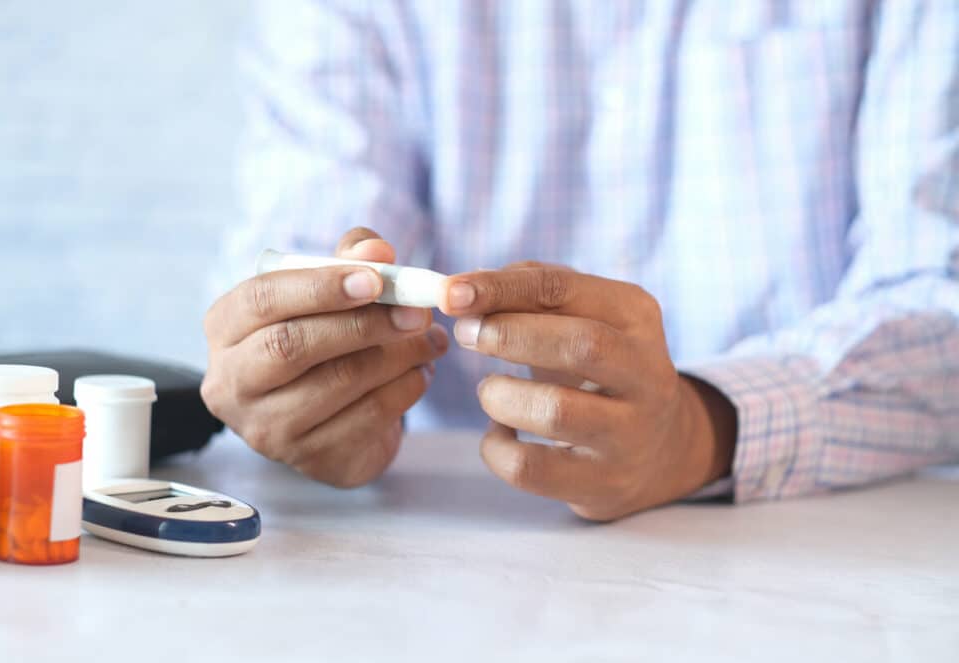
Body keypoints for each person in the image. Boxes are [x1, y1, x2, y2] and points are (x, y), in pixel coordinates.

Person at [201, 0, 959, 521]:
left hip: (824, 543)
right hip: (439, 541)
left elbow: (939, 293)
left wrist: (701, 430)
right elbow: (296, 257)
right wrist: (306, 386)